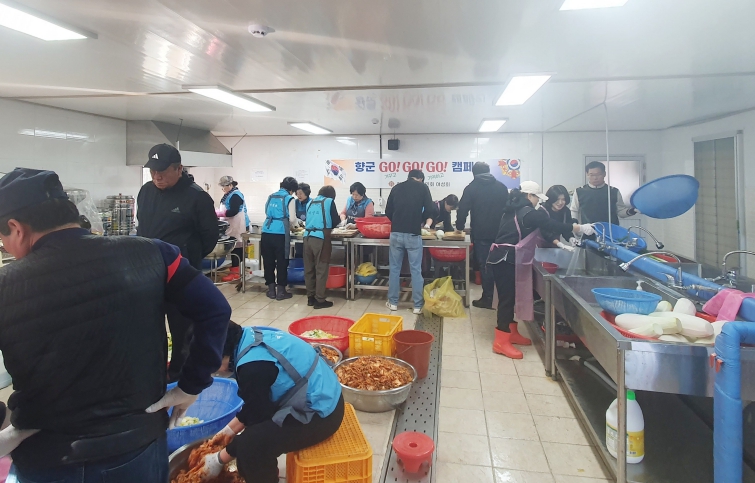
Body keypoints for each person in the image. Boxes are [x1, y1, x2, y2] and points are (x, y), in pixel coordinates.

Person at [0, 168, 230, 482]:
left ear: (15, 227)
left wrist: (8, 423)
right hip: (137, 446)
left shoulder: (7, 284)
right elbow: (215, 309)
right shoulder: (152, 253)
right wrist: (191, 385)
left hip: (49, 455)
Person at [195, 322, 344, 483]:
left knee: (251, 447)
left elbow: (259, 417)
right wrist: (226, 433)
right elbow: (255, 406)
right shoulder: (248, 337)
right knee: (248, 442)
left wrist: (218, 460)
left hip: (323, 413)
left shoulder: (252, 368)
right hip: (323, 392)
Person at [137, 143, 219, 383]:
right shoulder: (146, 192)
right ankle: (155, 375)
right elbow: (142, 226)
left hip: (181, 276)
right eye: (153, 171)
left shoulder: (197, 197)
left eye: (162, 171)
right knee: (150, 328)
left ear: (179, 168)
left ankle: (180, 377)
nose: (157, 176)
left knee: (183, 328)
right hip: (150, 273)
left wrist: (187, 258)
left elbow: (209, 237)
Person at [487, 181, 594, 359]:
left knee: (511, 297)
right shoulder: (528, 212)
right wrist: (579, 228)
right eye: (537, 197)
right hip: (505, 259)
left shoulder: (517, 208)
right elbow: (551, 225)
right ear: (529, 196)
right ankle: (501, 341)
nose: (538, 201)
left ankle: (511, 332)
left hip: (506, 257)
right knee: (507, 300)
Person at [455, 162, 509, 309]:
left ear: (474, 173)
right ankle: (502, 299)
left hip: (481, 234)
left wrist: (459, 227)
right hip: (501, 234)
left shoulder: (471, 188)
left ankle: (488, 299)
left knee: (486, 266)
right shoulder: (501, 187)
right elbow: (509, 210)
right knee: (500, 266)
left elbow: (462, 210)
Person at [385, 170, 436, 314]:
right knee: (415, 270)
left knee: (395, 269)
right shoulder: (423, 188)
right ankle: (417, 305)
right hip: (413, 234)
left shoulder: (396, 188)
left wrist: (398, 221)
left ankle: (393, 303)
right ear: (420, 179)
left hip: (396, 233)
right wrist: (420, 220)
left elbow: (388, 210)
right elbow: (430, 209)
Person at [262, 177, 300, 301]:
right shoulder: (289, 198)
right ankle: (281, 291)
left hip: (266, 231)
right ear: (292, 189)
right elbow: (292, 219)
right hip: (280, 233)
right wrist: (297, 225)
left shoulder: (271, 196)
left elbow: (267, 212)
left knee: (268, 261)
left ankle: (271, 290)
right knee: (282, 261)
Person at [303, 186, 341, 309]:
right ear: (331, 195)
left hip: (307, 237)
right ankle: (320, 300)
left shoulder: (310, 202)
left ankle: (310, 298)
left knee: (309, 269)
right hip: (320, 238)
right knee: (321, 269)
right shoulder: (329, 201)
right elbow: (335, 221)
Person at [570, 161, 639, 224]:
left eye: (598, 174)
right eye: (592, 175)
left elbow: (620, 211)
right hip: (587, 230)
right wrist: (574, 225)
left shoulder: (613, 191)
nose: (595, 178)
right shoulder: (580, 191)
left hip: (611, 230)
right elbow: (574, 211)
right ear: (587, 175)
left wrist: (633, 210)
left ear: (604, 174)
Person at [216, 176, 250, 282]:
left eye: (224, 186)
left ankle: (235, 273)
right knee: (235, 247)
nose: (223, 189)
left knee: (236, 247)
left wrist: (220, 213)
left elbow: (234, 211)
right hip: (232, 224)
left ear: (230, 185)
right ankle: (236, 270)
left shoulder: (236, 195)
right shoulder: (229, 194)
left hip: (238, 224)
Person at [541, 185, 579, 250]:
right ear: (551, 199)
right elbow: (544, 233)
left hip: (555, 245)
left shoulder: (565, 211)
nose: (560, 202)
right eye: (557, 199)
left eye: (563, 199)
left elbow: (566, 228)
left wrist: (571, 238)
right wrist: (559, 244)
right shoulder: (542, 211)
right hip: (540, 246)